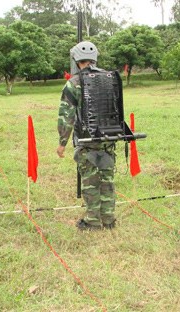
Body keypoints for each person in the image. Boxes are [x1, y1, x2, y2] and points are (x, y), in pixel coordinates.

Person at [56, 41, 117, 231]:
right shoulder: (109, 78)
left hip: (87, 142)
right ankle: (108, 219)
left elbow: (67, 115)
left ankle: (92, 222)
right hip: (108, 139)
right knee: (107, 180)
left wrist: (62, 143)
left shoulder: (73, 83)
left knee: (91, 183)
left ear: (76, 59)